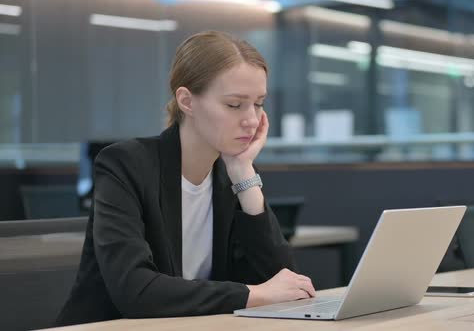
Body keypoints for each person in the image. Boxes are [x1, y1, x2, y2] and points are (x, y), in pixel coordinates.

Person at [55, 30, 316, 326]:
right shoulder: (126, 165)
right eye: (234, 105)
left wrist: (244, 172)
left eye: (258, 104)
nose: (252, 120)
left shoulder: (229, 176)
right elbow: (137, 290)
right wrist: (251, 294)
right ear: (187, 101)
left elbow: (286, 283)